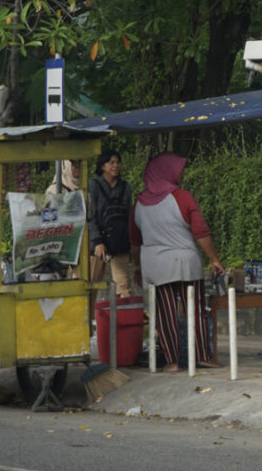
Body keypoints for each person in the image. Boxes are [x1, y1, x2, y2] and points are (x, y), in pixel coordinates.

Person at [130, 152, 225, 372]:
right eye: (178, 171)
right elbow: (201, 231)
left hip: (156, 265)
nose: (181, 175)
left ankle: (172, 362)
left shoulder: (139, 203)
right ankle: (204, 356)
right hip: (186, 262)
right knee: (198, 310)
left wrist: (137, 266)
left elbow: (135, 240)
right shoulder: (182, 197)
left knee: (165, 316)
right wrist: (214, 259)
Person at [88, 150, 134, 298]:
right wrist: (97, 242)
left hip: (119, 243)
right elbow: (90, 216)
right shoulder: (93, 186)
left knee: (123, 286)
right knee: (90, 285)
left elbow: (129, 216)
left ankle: (124, 318)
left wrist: (131, 242)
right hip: (98, 246)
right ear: (102, 166)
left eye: (117, 162)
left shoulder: (125, 187)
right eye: (111, 162)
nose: (115, 166)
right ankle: (88, 318)